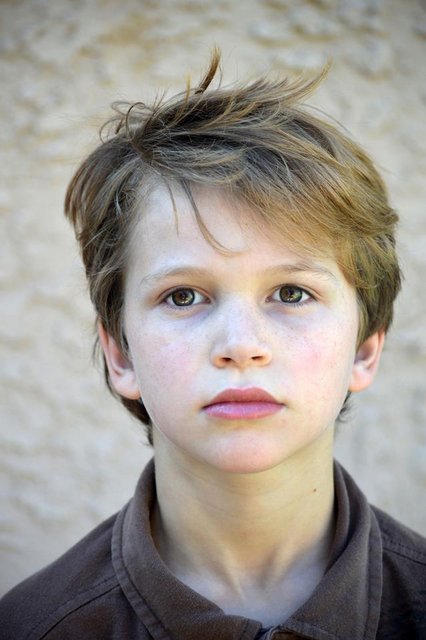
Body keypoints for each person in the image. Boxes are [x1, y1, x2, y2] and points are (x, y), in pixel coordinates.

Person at [1, 51, 425, 640]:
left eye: (292, 293)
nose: (241, 346)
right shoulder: (31, 628)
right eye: (183, 297)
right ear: (120, 353)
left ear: (365, 348)